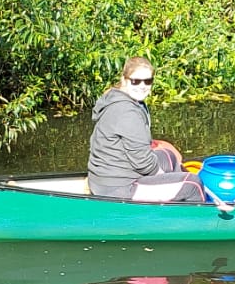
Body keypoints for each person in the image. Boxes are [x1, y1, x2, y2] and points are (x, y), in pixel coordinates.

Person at [86, 57, 204, 201]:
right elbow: (143, 163)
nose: (142, 86)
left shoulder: (118, 98)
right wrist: (161, 175)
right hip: (119, 187)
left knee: (168, 156)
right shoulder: (127, 112)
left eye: (147, 81)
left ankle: (174, 199)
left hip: (108, 178)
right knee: (193, 184)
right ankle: (195, 219)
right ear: (124, 80)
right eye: (135, 81)